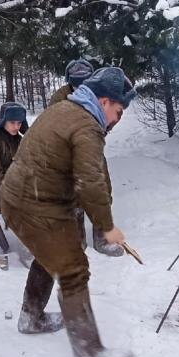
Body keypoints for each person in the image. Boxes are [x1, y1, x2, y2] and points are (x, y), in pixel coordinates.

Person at [0, 67, 136, 357]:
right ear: (104, 101)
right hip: (33, 204)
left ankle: (31, 317)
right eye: (118, 109)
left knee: (53, 256)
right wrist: (106, 227)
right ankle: (90, 355)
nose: (118, 118)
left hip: (24, 198)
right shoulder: (87, 126)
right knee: (73, 269)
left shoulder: (63, 108)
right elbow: (91, 182)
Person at [50, 59, 124, 257]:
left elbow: (116, 111)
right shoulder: (61, 97)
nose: (80, 85)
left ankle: (103, 240)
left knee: (102, 191)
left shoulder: (100, 92)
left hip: (93, 151)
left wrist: (103, 127)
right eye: (76, 82)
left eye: (84, 81)